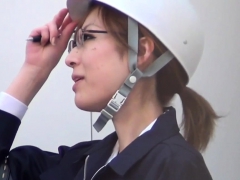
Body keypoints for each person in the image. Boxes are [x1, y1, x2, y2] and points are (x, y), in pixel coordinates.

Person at [0, 0, 218, 179]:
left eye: (87, 37)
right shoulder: (82, 162)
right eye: (74, 43)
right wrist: (34, 71)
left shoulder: (176, 168)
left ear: (141, 52)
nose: (70, 58)